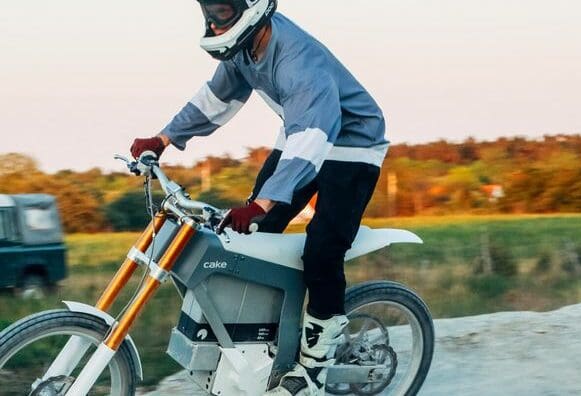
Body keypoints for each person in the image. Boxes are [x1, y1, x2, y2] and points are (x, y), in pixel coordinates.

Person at [130, 0, 388, 394]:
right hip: (300, 136)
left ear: (250, 8)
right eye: (209, 13)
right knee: (253, 238)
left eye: (221, 11)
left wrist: (263, 202)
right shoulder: (245, 48)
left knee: (322, 249)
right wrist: (163, 139)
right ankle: (265, 339)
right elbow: (214, 101)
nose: (214, 24)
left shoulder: (299, 61)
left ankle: (316, 365)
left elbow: (313, 139)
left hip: (351, 146)